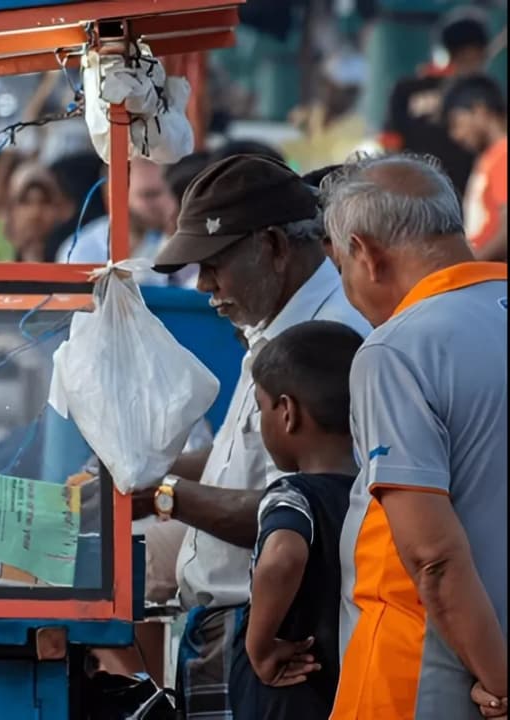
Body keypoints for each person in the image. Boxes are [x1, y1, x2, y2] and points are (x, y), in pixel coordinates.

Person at [131, 154, 370, 720]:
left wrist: (163, 495)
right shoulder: (271, 324)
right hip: (230, 629)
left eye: (214, 266)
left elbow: (294, 510)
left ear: (274, 247)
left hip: (273, 640)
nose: (204, 287)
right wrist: (144, 472)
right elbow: (240, 458)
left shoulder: (326, 338)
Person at [320, 154, 507, 720]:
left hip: (428, 676)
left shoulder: (397, 350)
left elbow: (433, 558)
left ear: (365, 254)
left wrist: (500, 681)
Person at [229, 320, 364, 720]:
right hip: (347, 691)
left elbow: (283, 556)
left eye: (260, 407)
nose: (259, 423)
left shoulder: (293, 495)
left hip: (287, 698)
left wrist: (261, 645)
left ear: (287, 412)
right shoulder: (373, 495)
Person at [380, 10, 490, 194]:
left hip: (413, 194)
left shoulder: (406, 87)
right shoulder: (479, 91)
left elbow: (389, 146)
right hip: (460, 196)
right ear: (472, 52)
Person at [55, 158, 178, 267]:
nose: (167, 204)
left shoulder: (178, 244)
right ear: (114, 196)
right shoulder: (83, 253)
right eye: (149, 195)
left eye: (169, 192)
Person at [442, 73, 507, 261]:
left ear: (479, 110)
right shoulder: (491, 156)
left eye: (457, 123)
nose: (456, 135)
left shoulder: (503, 154)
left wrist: (472, 266)